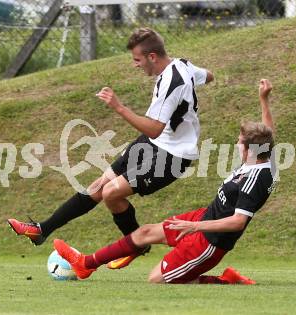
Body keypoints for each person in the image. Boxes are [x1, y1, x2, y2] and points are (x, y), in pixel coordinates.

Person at [8, 27, 214, 269]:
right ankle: (42, 230)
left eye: (137, 60)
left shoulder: (171, 81)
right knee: (97, 187)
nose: (135, 65)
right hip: (154, 144)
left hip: (172, 156)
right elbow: (208, 76)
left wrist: (119, 107)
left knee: (111, 193)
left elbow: (155, 128)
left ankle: (136, 244)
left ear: (152, 57)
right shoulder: (183, 65)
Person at [53, 79, 276, 284]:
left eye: (239, 143)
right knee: (145, 233)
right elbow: (268, 133)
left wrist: (194, 227)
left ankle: (225, 280)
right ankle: (85, 264)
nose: (237, 145)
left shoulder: (255, 179)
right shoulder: (263, 158)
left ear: (250, 150)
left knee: (156, 280)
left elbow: (237, 222)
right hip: (204, 217)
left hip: (210, 240)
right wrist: (263, 100)